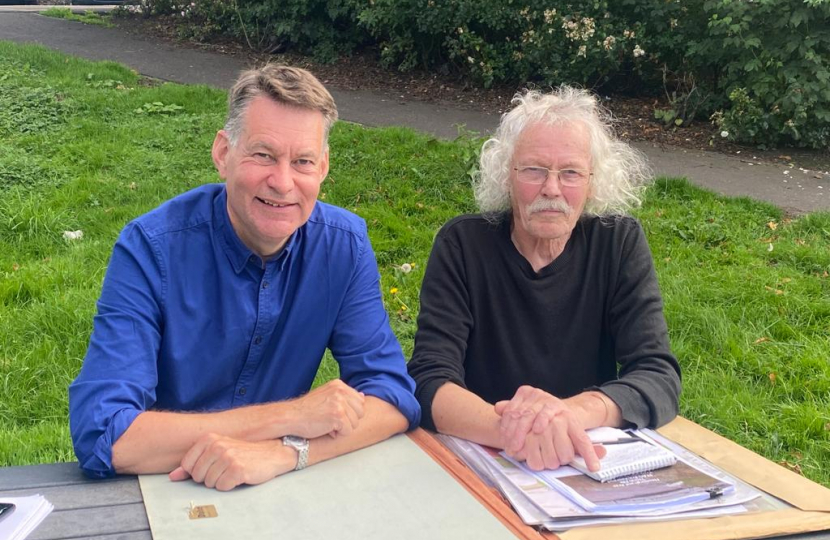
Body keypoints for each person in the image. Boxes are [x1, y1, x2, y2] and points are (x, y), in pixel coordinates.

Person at [69, 65, 420, 490]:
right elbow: (107, 437)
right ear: (223, 153)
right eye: (263, 154)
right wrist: (292, 417)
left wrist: (285, 453)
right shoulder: (150, 248)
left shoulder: (343, 246)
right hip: (168, 486)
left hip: (276, 482)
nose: (283, 182)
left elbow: (394, 397)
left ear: (323, 167)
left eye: (303, 161)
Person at [407, 87, 681, 474]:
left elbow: (658, 376)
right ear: (507, 174)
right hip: (483, 454)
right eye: (534, 170)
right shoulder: (463, 245)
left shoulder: (618, 243)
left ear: (592, 181)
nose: (552, 189)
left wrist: (568, 414)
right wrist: (515, 433)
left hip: (582, 454)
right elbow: (428, 379)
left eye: (570, 173)